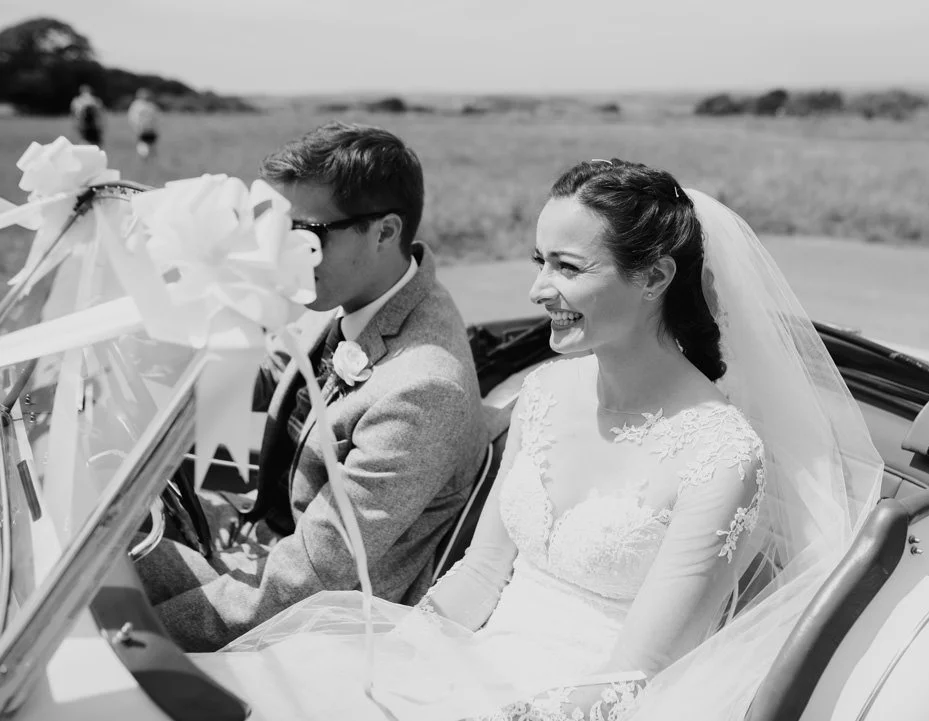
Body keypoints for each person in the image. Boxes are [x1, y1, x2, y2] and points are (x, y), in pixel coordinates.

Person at [211, 160, 884, 720]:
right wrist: (399, 649)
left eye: (566, 267)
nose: (538, 288)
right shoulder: (544, 391)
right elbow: (481, 572)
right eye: (539, 262)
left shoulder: (721, 455)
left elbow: (636, 673)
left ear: (654, 277)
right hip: (469, 668)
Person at [136, 122, 489, 652]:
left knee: (98, 565)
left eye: (302, 234)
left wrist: (145, 634)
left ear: (385, 232)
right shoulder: (348, 293)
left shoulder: (422, 389)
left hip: (318, 622)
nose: (280, 253)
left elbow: (311, 580)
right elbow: (279, 379)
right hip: (262, 544)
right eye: (272, 230)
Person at [127, 88, 160, 159]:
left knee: (152, 147)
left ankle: (151, 162)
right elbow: (133, 118)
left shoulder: (151, 105)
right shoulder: (136, 105)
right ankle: (144, 160)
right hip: (142, 130)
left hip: (151, 130)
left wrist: (155, 128)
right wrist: (137, 127)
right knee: (143, 148)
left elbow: (156, 118)